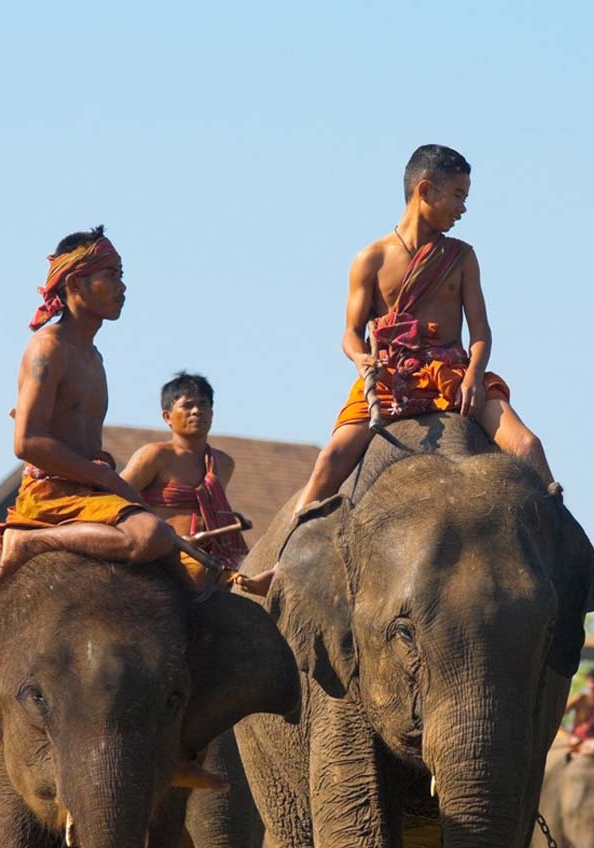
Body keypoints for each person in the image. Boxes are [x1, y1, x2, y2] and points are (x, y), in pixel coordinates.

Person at [237, 145, 553, 596]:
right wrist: (360, 357)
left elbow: (480, 332)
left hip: (451, 371)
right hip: (390, 378)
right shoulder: (370, 259)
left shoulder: (462, 256)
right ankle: (285, 561)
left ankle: (566, 551)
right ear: (425, 190)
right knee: (330, 459)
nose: (464, 208)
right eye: (458, 195)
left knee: (527, 443)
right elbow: (349, 332)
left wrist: (471, 376)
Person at [0, 227, 197, 580]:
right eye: (111, 275)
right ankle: (28, 542)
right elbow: (25, 442)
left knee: (187, 561)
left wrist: (101, 471)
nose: (123, 287)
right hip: (51, 495)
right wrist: (100, 474)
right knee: (149, 536)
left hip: (87, 492)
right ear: (75, 285)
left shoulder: (94, 357)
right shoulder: (48, 348)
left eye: (122, 276)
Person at [122, 371, 253, 590]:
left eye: (204, 404)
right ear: (167, 417)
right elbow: (117, 498)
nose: (197, 411)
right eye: (188, 405)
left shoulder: (224, 463)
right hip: (163, 555)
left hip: (214, 555)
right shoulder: (154, 455)